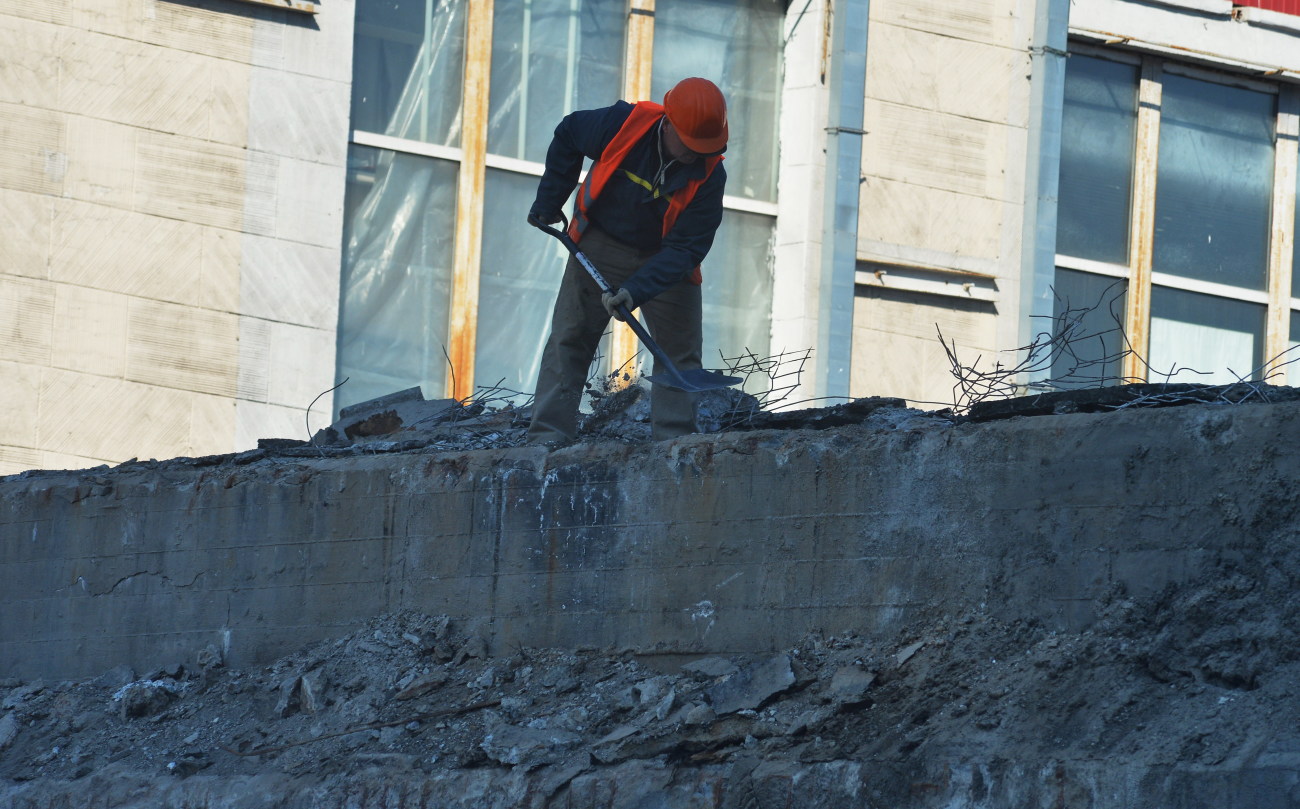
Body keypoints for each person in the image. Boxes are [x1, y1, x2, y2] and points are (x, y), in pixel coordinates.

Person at [526, 77, 729, 446]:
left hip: (666, 259)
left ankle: (673, 445)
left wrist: (635, 291)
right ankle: (548, 438)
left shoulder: (710, 175)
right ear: (668, 123)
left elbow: (687, 250)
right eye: (689, 144)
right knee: (570, 338)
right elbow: (569, 132)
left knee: (678, 356)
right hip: (600, 242)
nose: (695, 154)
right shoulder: (621, 125)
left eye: (704, 147)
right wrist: (548, 200)